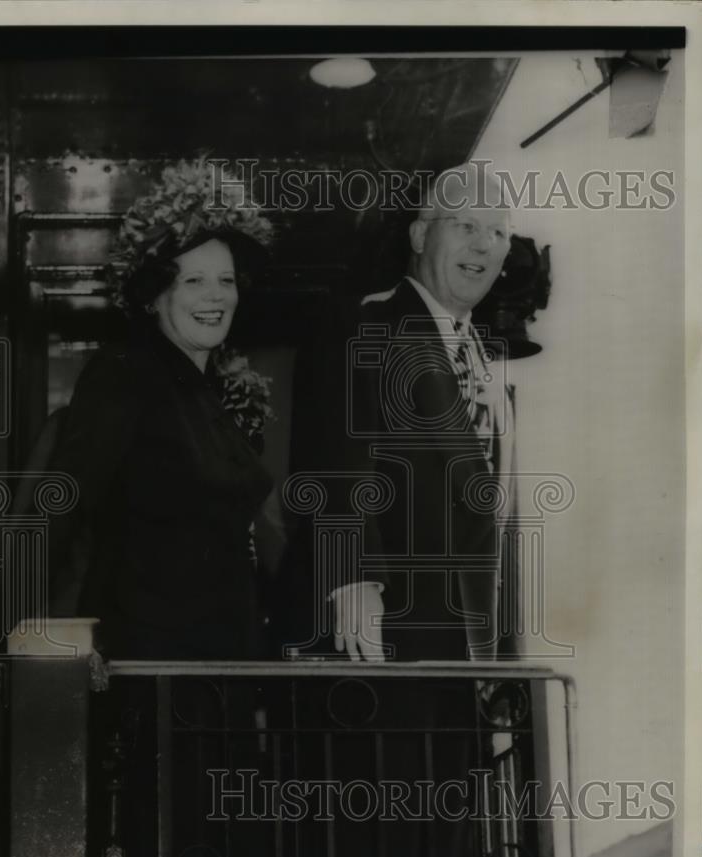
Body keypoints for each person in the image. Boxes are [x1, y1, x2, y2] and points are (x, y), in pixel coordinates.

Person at [48, 159, 276, 660]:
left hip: (227, 660)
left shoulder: (219, 393)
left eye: (226, 280)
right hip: (149, 669)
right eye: (194, 281)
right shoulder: (124, 373)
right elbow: (62, 512)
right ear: (154, 297)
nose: (216, 295)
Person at [322, 162, 517, 663]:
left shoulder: (480, 355)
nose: (482, 244)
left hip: (464, 643)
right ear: (419, 234)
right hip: (388, 629)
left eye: (497, 232)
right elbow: (339, 455)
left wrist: (496, 647)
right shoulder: (370, 321)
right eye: (466, 225)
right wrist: (352, 575)